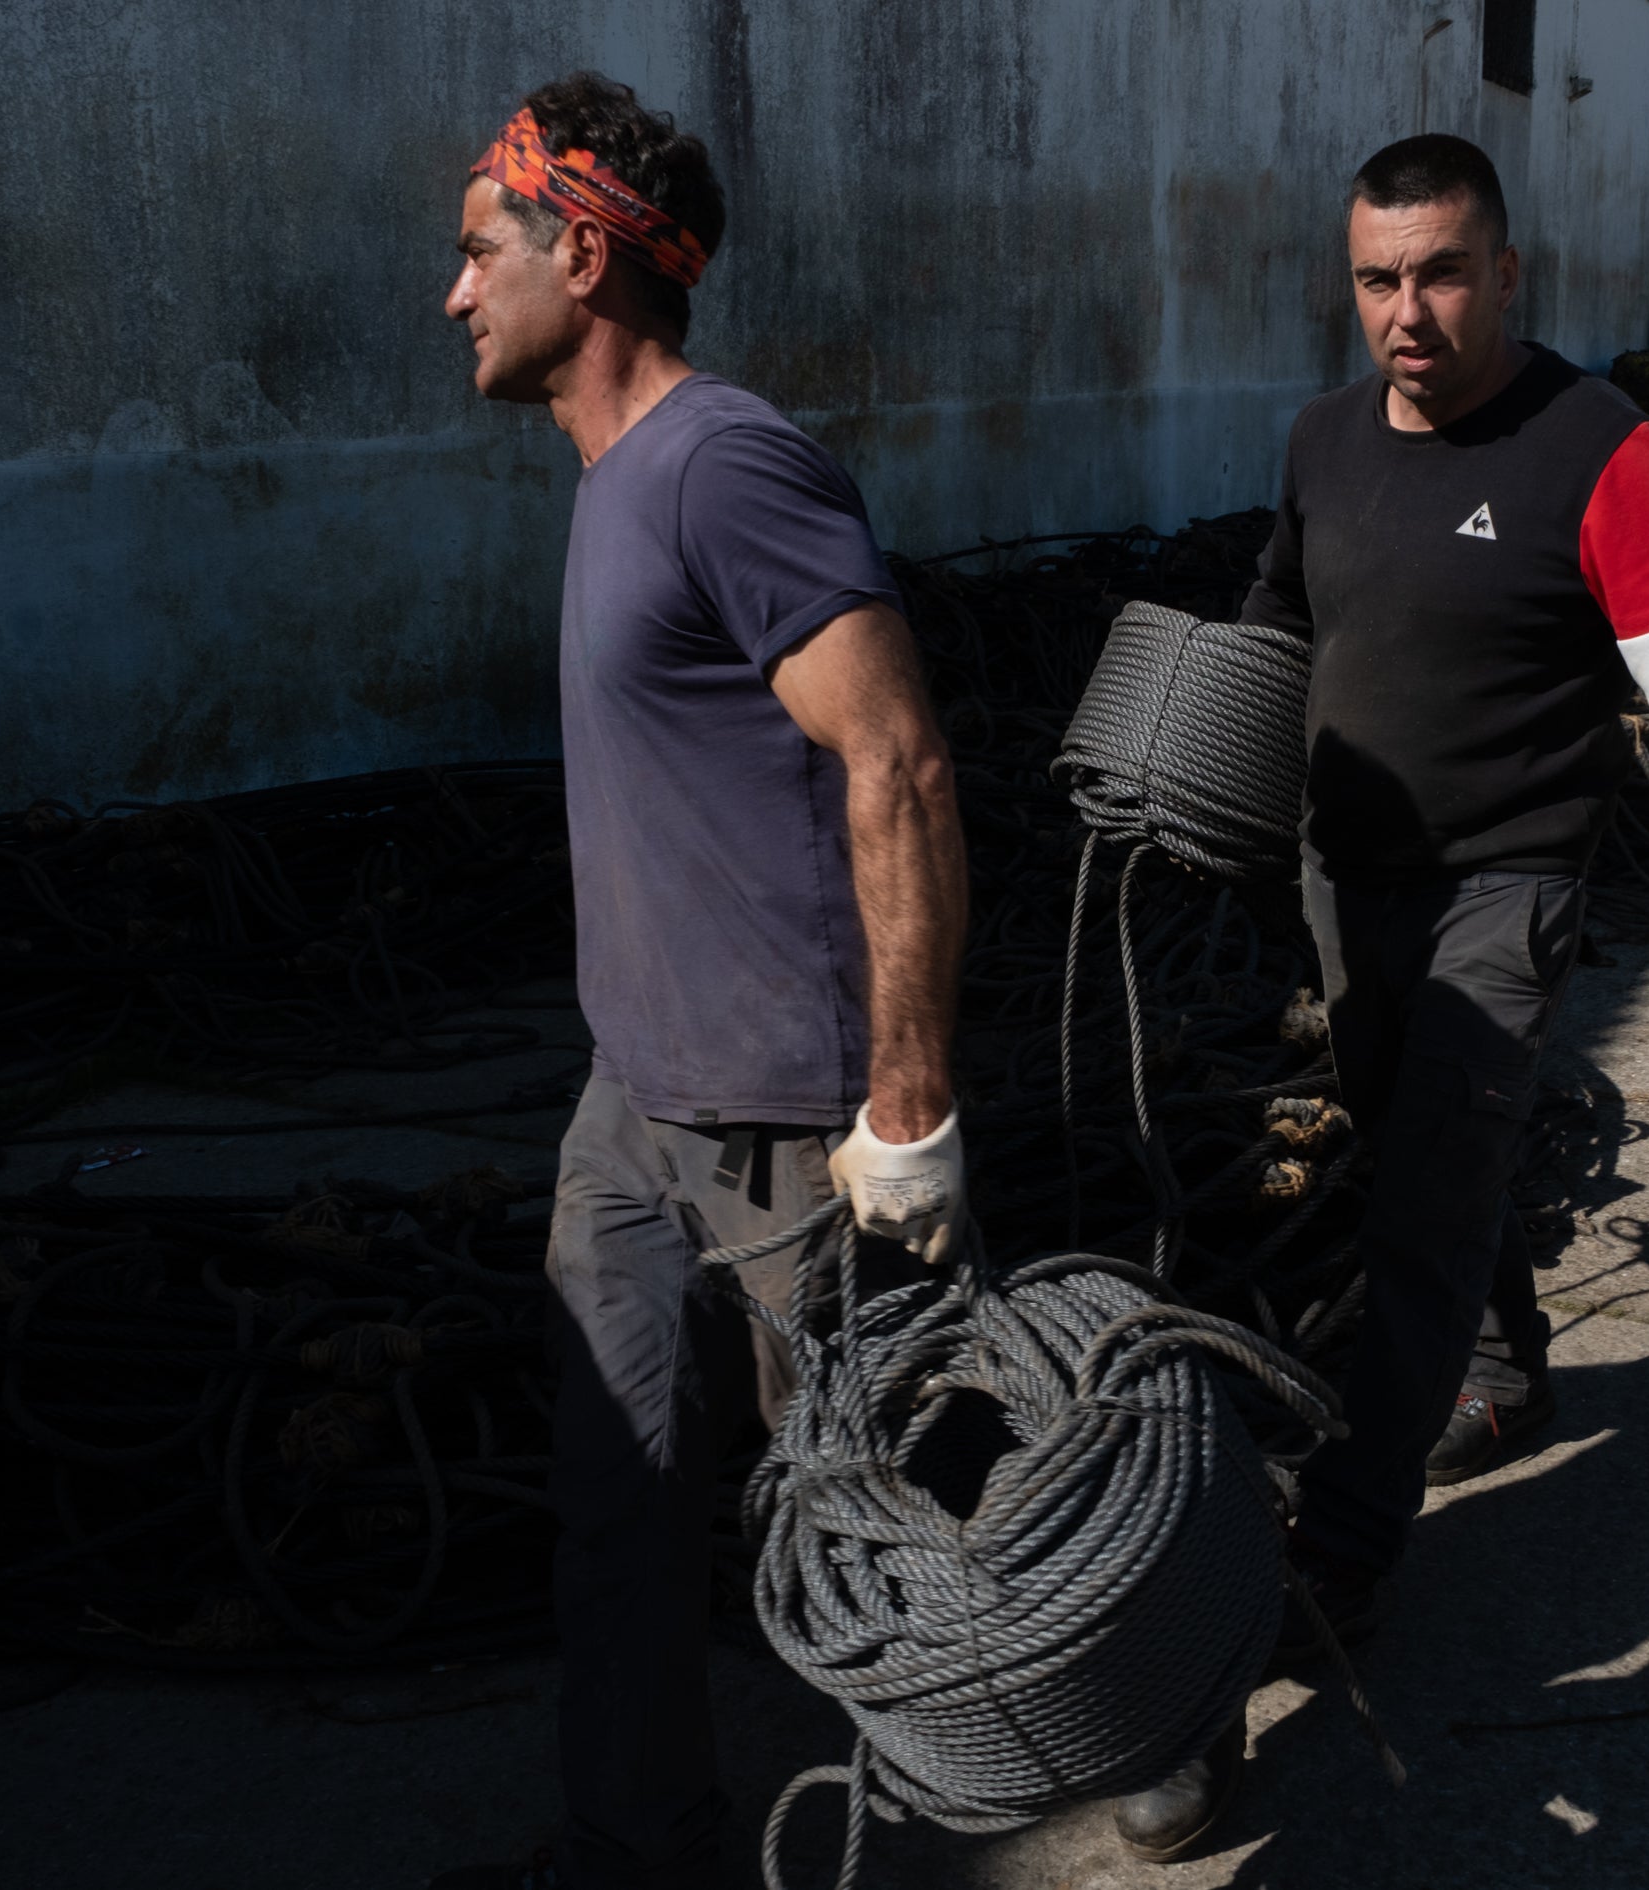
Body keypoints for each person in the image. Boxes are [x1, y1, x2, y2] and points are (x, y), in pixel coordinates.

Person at [431, 72, 971, 1890]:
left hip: (780, 1121)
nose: (454, 295)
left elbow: (894, 758)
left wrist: (908, 1106)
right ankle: (639, 1843)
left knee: (895, 1501)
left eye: (474, 252)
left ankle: (1137, 1696)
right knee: (623, 1507)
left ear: (578, 254)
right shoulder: (609, 482)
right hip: (633, 1099)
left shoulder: (722, 462)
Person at [1238, 128, 1649, 1678]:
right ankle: (1504, 1366)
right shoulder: (1320, 443)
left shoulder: (1603, 452)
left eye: (1442, 273)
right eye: (1377, 278)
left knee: (1422, 1211)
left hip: (1505, 885)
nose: (1407, 312)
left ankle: (1341, 1555)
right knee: (1405, 1143)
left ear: (1507, 270)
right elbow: (1277, 625)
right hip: (1345, 875)